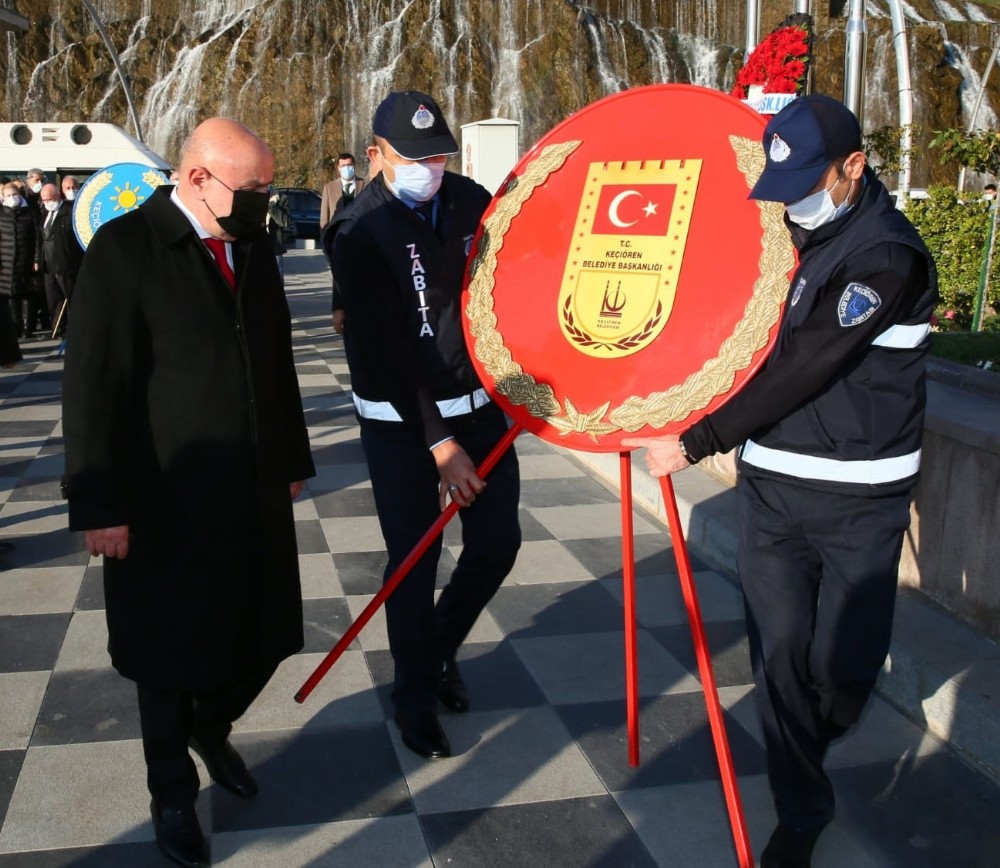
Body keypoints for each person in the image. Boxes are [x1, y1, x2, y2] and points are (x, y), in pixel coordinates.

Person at [623, 94, 937, 868]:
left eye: (804, 185)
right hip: (771, 492)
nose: (788, 205)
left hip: (860, 498)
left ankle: (814, 732)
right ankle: (802, 807)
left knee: (842, 670)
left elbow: (805, 365)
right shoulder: (787, 236)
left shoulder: (886, 257)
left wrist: (694, 441)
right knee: (779, 660)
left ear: (853, 168)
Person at [62, 118, 315, 868]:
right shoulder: (126, 248)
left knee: (270, 631)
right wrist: (98, 503)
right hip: (162, 495)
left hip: (253, 479)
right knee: (166, 653)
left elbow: (276, 360)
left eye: (269, 187)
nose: (264, 203)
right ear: (198, 177)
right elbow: (93, 387)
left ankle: (212, 724)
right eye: (253, 188)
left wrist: (291, 453)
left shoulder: (254, 245)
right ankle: (171, 792)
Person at [324, 91, 521, 760]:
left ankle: (438, 649)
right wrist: (437, 442)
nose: (429, 169)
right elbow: (383, 353)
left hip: (481, 408)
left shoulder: (471, 200)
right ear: (376, 156)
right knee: (414, 559)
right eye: (414, 158)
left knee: (497, 543)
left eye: (438, 156)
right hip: (401, 424)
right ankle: (413, 696)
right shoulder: (356, 231)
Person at [38, 182, 83, 336]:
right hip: (48, 264)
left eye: (49, 199)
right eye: (44, 200)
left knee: (71, 298)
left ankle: (74, 329)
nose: (46, 203)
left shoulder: (69, 211)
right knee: (53, 299)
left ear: (57, 196)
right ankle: (58, 328)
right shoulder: (44, 213)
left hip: (65, 262)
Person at [0, 179, 40, 341]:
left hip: (25, 260)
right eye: (8, 195)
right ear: (3, 197)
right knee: (8, 297)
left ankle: (27, 328)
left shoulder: (30, 212)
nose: (12, 197)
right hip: (5, 262)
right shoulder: (1, 213)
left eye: (14, 194)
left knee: (25, 296)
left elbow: (38, 238)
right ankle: (12, 329)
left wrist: (36, 259)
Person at [320, 152, 367, 229]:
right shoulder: (329, 188)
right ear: (338, 168)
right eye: (343, 166)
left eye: (349, 165)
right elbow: (324, 218)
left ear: (354, 166)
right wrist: (324, 237)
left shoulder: (366, 185)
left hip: (359, 234)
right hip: (337, 235)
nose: (347, 168)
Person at [266, 188, 294, 282]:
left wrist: (272, 207)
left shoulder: (281, 198)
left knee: (277, 278)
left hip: (275, 244)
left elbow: (284, 221)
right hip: (257, 244)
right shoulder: (254, 196)